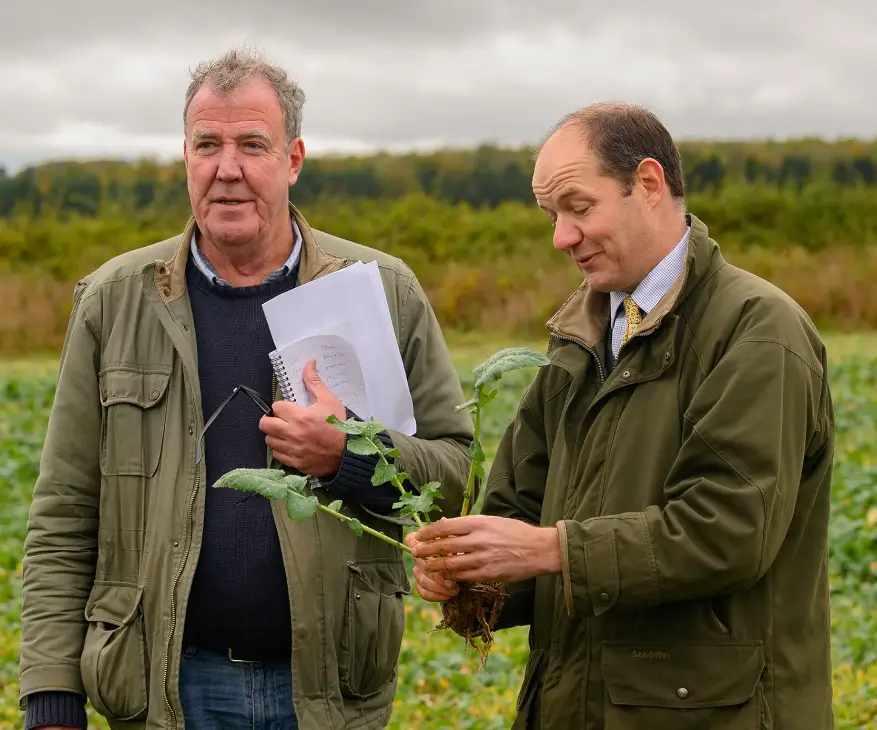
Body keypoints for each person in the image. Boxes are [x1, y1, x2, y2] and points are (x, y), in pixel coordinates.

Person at [18, 48, 473, 730]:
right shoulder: (115, 300)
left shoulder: (381, 291)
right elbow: (62, 511)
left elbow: (451, 477)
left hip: (327, 690)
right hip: (163, 690)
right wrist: (50, 691)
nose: (226, 168)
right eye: (208, 145)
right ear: (186, 157)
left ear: (292, 160)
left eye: (251, 145)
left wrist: (344, 456)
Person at [406, 103, 835, 729]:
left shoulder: (756, 331)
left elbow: (729, 531)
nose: (561, 237)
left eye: (579, 208)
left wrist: (552, 550)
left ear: (649, 185)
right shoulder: (579, 337)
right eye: (552, 216)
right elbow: (518, 515)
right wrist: (473, 576)